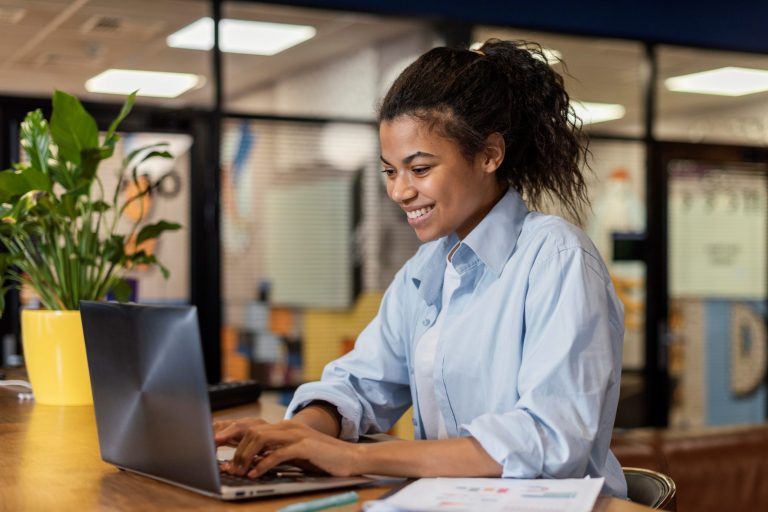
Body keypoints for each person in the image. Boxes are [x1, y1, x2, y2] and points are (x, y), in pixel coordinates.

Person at [214, 39, 627, 497]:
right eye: (390, 171)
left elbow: (549, 440)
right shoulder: (426, 268)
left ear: (490, 154)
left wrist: (355, 457)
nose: (400, 191)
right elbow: (360, 381)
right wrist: (305, 432)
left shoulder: (558, 259)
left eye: (420, 168)